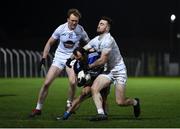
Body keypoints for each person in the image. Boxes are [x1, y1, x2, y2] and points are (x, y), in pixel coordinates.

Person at [29, 8, 90, 117]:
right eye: (72, 20)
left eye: (76, 21)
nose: (74, 23)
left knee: (72, 82)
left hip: (72, 59)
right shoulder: (61, 29)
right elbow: (49, 43)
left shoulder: (80, 30)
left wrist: (85, 55)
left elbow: (89, 44)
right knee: (47, 83)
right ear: (68, 19)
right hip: (59, 58)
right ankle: (38, 108)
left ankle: (69, 104)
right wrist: (43, 58)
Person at [82, 16, 141, 121]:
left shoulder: (109, 40)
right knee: (94, 88)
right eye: (99, 23)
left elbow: (103, 60)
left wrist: (88, 66)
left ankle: (135, 102)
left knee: (120, 102)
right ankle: (101, 114)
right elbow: (83, 49)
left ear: (107, 28)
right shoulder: (96, 39)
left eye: (102, 24)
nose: (98, 25)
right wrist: (71, 59)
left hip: (119, 71)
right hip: (108, 71)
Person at [56, 47, 110, 120]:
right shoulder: (77, 65)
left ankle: (103, 115)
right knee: (83, 94)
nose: (79, 60)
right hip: (90, 81)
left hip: (102, 77)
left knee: (104, 97)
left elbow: (105, 56)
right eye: (77, 59)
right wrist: (81, 81)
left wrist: (105, 68)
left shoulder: (94, 55)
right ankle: (66, 115)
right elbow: (78, 80)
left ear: (84, 54)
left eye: (80, 58)